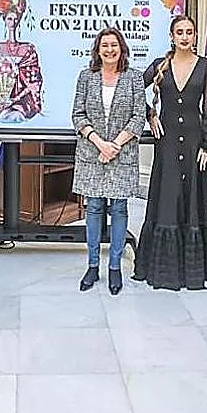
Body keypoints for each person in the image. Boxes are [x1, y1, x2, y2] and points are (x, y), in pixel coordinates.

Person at [136, 15, 207, 290]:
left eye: (190, 32)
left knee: (192, 199)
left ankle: (193, 270)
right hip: (167, 141)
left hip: (194, 141)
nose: (185, 36)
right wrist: (150, 115)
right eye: (180, 32)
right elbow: (135, 90)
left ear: (195, 36)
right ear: (172, 35)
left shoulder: (206, 66)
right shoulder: (160, 65)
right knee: (168, 198)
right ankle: (164, 270)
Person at [70, 27, 146, 295]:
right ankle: (92, 266)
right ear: (98, 50)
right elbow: (77, 115)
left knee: (119, 210)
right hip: (92, 153)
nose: (110, 49)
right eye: (105, 45)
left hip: (122, 153)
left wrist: (114, 145)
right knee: (93, 210)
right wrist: (99, 143)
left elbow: (139, 117)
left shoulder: (134, 78)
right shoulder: (86, 77)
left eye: (114, 45)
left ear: (121, 48)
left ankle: (114, 267)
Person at [0, 0, 43, 123]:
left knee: (18, 116)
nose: (13, 22)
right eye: (10, 19)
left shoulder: (28, 49)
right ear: (4, 20)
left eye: (16, 19)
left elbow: (34, 81)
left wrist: (17, 98)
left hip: (23, 102)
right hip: (1, 102)